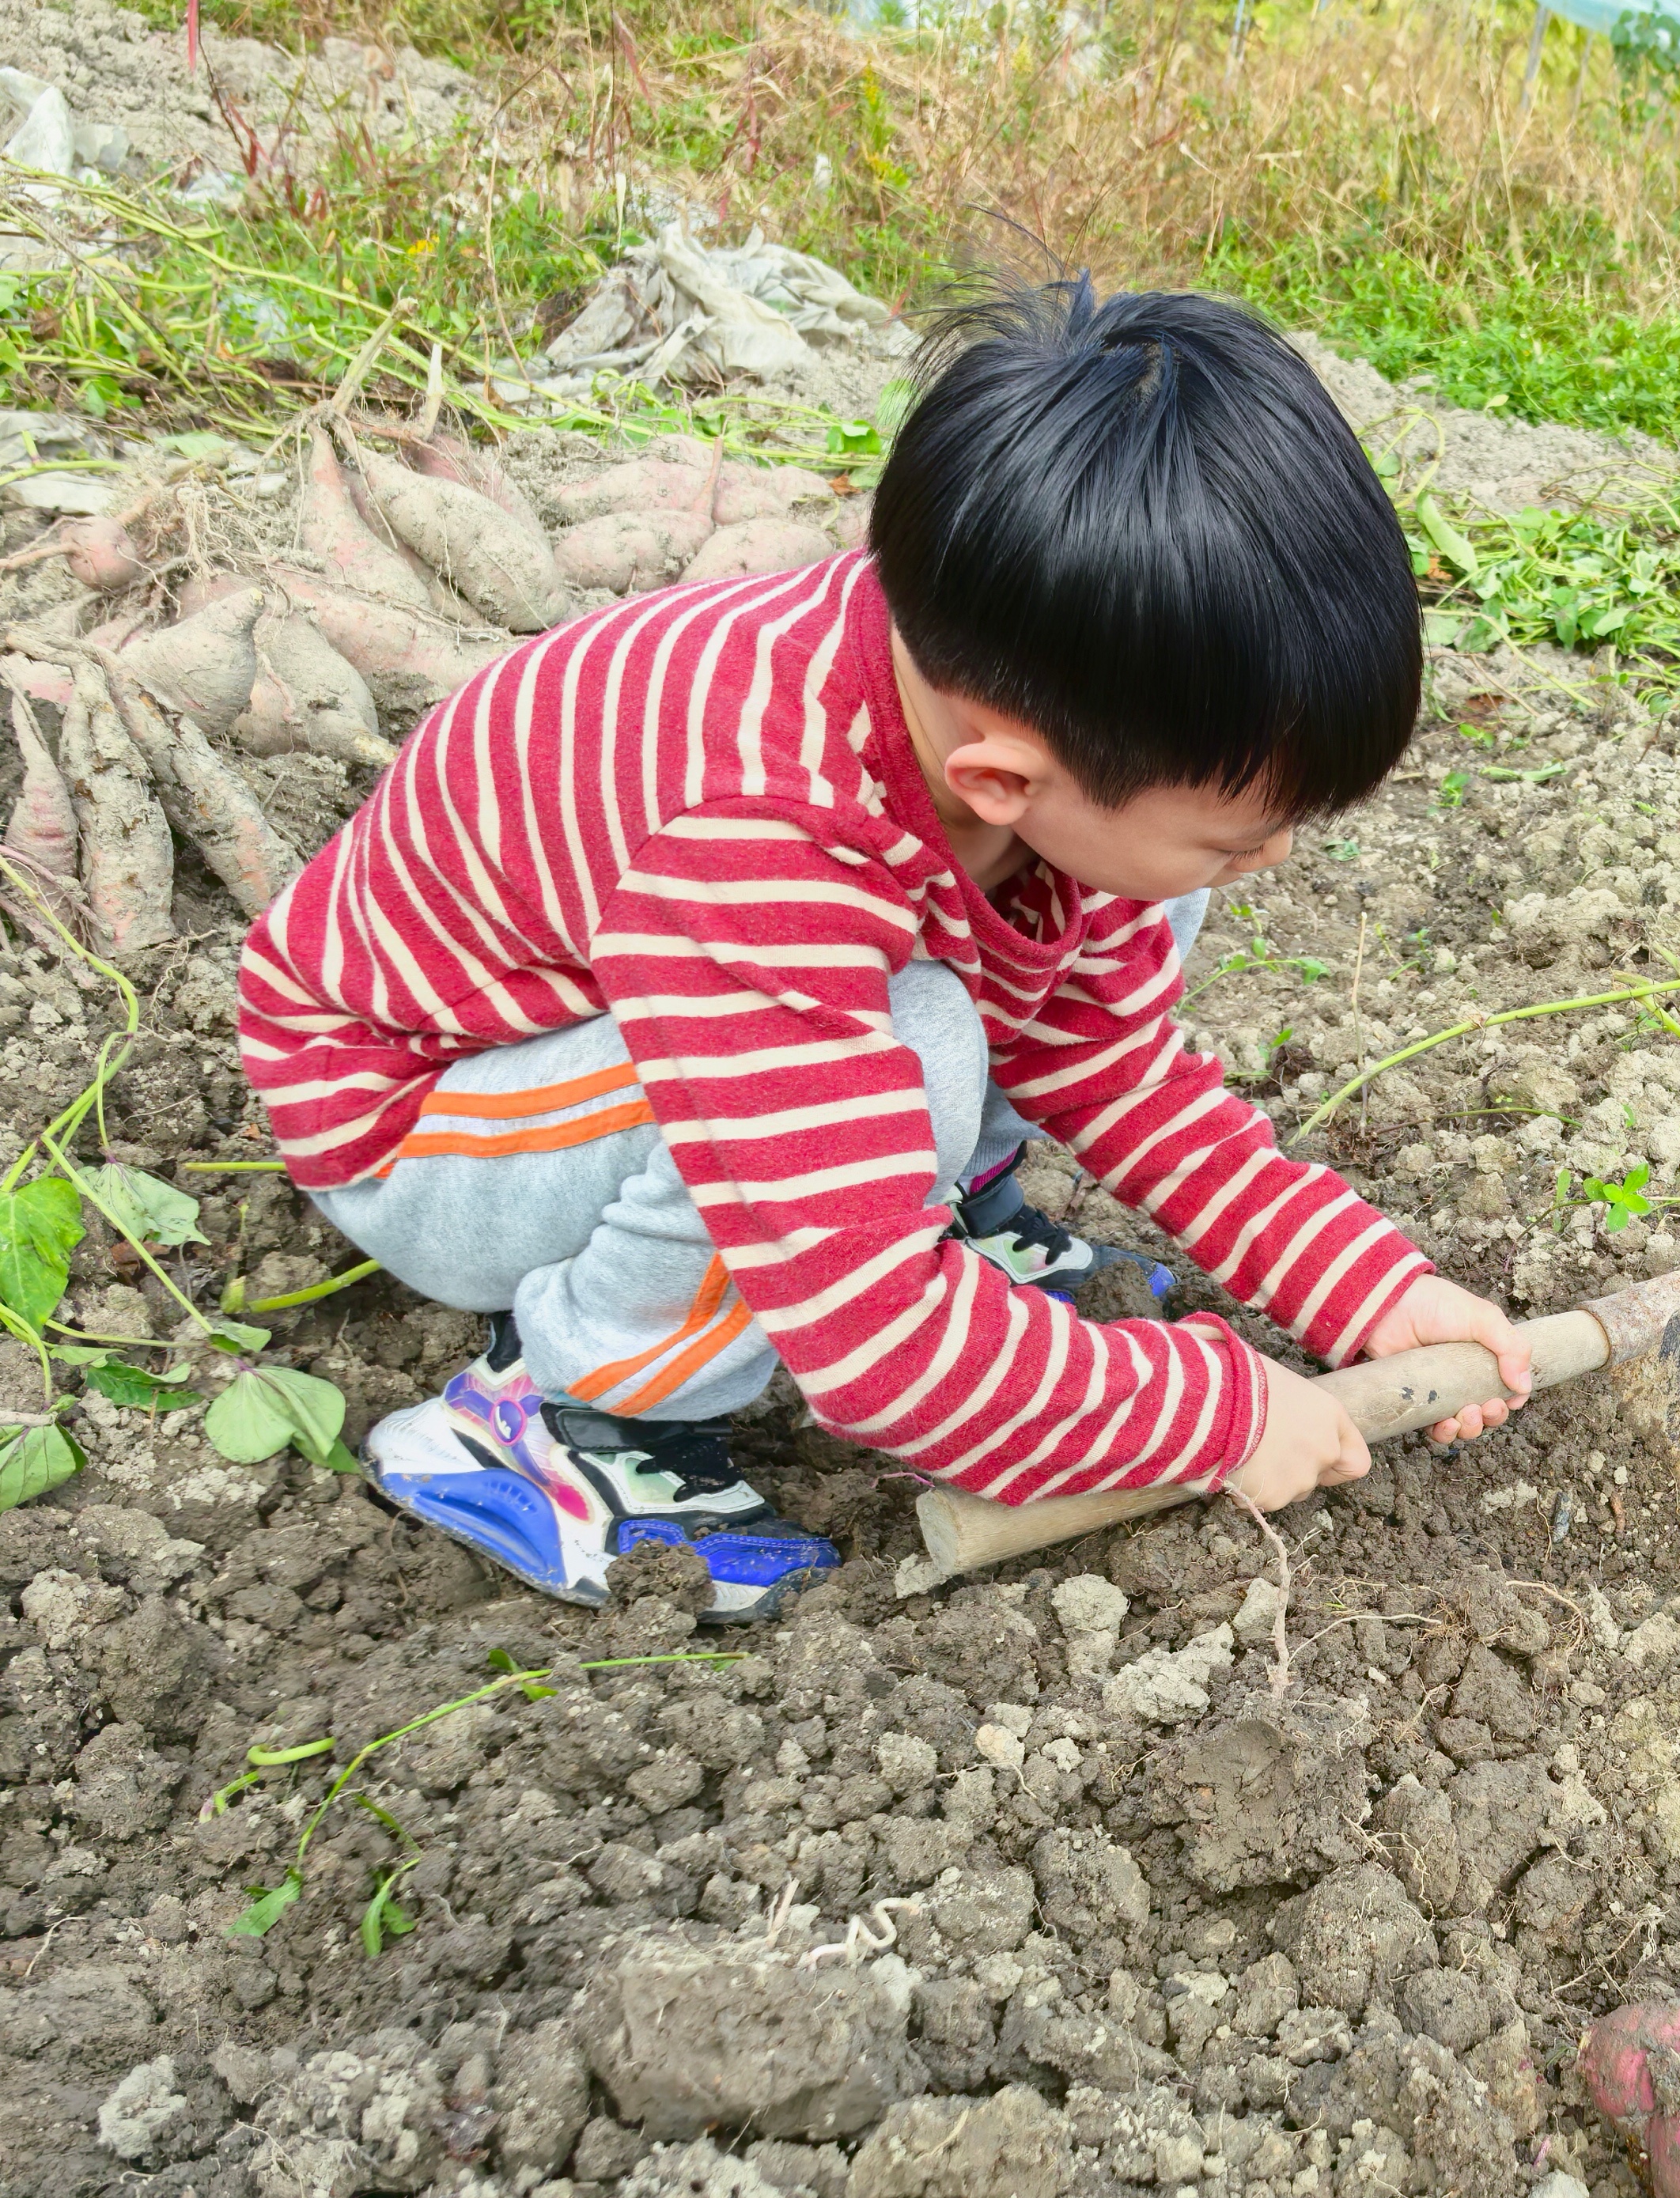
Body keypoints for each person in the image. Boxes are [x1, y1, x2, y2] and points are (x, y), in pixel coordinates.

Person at [237, 277, 1533, 1617]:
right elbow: (872, 1342)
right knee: (922, 1039)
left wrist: (1361, 1286)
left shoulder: (1005, 689)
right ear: (1002, 781)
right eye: (1239, 834)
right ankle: (566, 1418)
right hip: (427, 1121)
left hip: (675, 1019)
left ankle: (936, 1194)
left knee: (1132, 891)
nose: (1274, 859)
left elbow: (1109, 1059)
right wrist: (1201, 1410)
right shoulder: (753, 834)